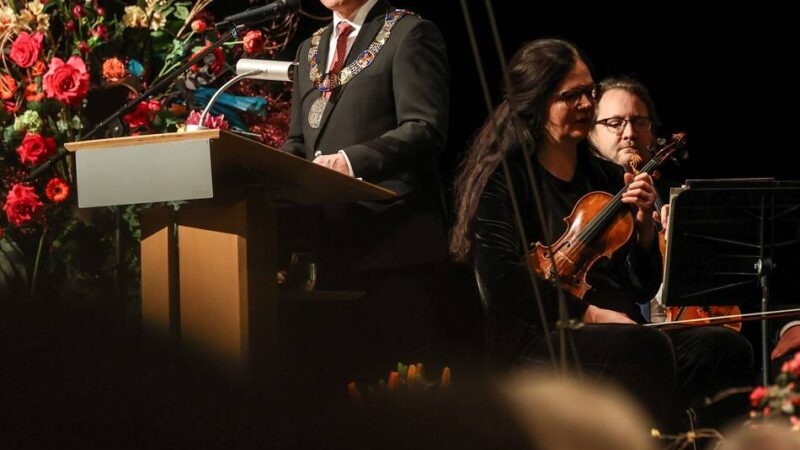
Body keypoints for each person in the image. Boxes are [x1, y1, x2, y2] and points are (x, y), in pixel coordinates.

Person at [450, 38, 678, 428]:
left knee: (723, 348)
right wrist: (591, 314)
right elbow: (501, 280)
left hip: (616, 330)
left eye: (590, 93)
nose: (587, 105)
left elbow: (640, 287)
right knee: (646, 348)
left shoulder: (606, 176)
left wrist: (643, 229)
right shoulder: (505, 177)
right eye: (571, 96)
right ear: (537, 104)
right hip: (535, 337)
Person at [281, 0, 450, 367]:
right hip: (326, 247)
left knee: (392, 393)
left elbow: (424, 128)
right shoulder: (309, 48)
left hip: (393, 246)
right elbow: (298, 140)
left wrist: (351, 161)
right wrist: (273, 169)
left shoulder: (409, 32)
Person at [589, 77, 754, 413]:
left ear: (653, 132)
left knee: (730, 347)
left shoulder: (678, 199)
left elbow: (732, 273)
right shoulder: (586, 198)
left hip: (673, 332)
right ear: (590, 133)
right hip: (616, 334)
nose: (630, 132)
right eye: (614, 122)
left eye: (639, 122)